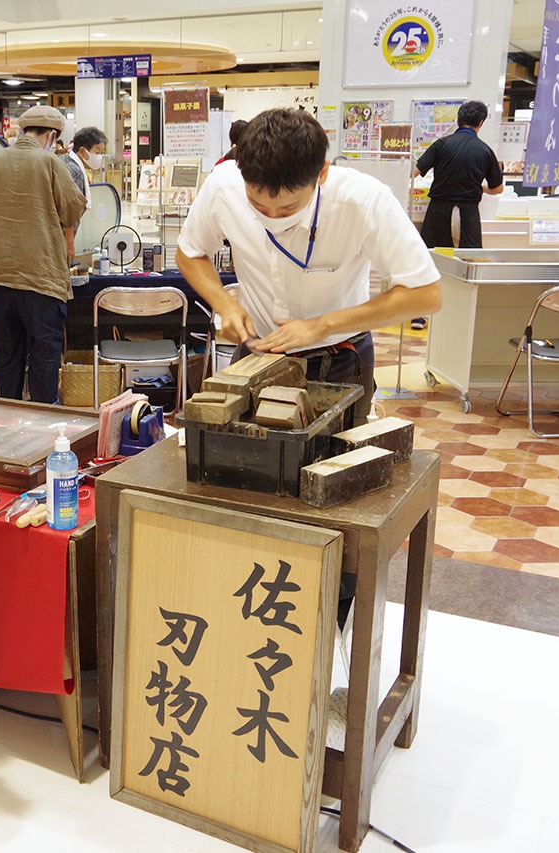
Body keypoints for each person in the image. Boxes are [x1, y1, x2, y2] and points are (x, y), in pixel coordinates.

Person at [176, 107, 440, 628]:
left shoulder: (361, 201)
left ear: (321, 173)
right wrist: (225, 304)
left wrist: (322, 325)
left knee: (335, 495)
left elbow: (426, 294)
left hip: (340, 360)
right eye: (259, 206)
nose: (273, 216)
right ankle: (248, 606)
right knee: (245, 483)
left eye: (289, 207)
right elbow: (191, 253)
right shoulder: (223, 186)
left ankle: (327, 620)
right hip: (257, 355)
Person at [0, 105, 87, 403]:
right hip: (40, 278)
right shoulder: (50, 163)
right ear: (52, 135)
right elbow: (72, 209)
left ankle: (7, 416)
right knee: (44, 358)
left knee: (5, 359)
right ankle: (42, 422)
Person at [411, 100, 502, 329]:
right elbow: (497, 189)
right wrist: (479, 187)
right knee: (469, 262)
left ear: (458, 120)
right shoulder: (485, 151)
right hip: (468, 212)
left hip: (439, 210)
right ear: (481, 122)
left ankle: (420, 314)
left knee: (430, 259)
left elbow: (414, 172)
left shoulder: (441, 144)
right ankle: (465, 315)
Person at [61, 126, 107, 260]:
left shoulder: (64, 160)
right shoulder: (74, 172)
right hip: (60, 238)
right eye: (96, 152)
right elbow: (68, 211)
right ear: (82, 151)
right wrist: (69, 245)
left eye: (101, 153)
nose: (99, 157)